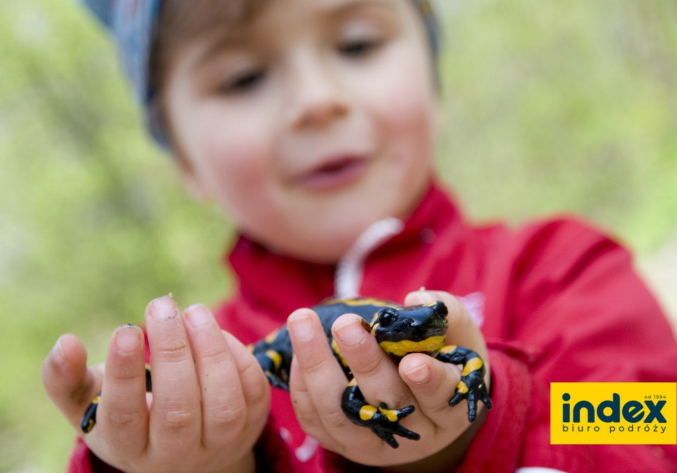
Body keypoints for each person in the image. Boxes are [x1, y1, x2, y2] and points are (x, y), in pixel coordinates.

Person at [40, 0, 677, 472]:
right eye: (242, 79)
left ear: (434, 79)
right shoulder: (207, 364)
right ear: (183, 161)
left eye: (358, 44)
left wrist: (484, 429)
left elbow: (653, 419)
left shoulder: (559, 268)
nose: (317, 100)